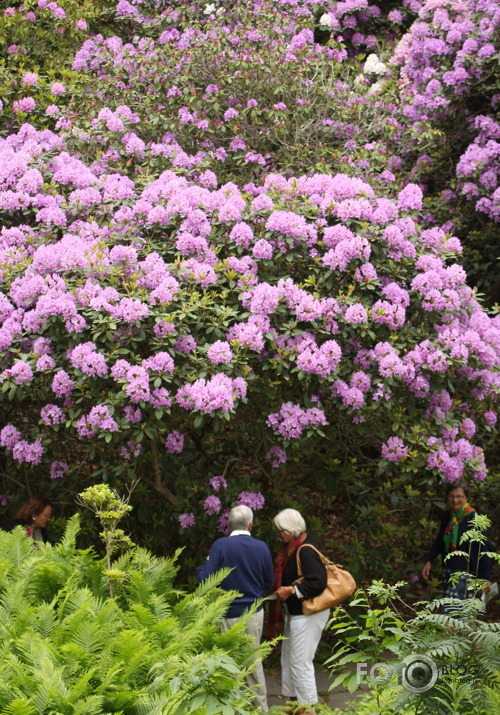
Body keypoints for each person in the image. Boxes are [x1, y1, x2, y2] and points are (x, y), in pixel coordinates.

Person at [197, 504, 274, 711]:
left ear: (229, 524)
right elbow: (269, 582)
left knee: (226, 662)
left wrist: (201, 568)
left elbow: (206, 579)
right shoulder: (262, 547)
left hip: (226, 614)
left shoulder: (220, 546)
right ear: (251, 524)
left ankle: (230, 707)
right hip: (253, 614)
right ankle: (260, 708)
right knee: (252, 661)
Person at [272, 508, 328, 713]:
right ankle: (294, 705)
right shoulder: (293, 548)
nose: (278, 535)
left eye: (280, 531)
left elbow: (318, 582)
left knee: (300, 662)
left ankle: (309, 708)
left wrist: (291, 591)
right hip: (296, 613)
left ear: (291, 530)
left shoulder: (305, 550)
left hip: (308, 614)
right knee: (288, 659)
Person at [422, 481, 491, 608]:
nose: (455, 500)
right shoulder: (448, 516)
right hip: (448, 569)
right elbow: (440, 541)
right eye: (452, 496)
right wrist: (429, 561)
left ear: (466, 498)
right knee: (460, 614)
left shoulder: (474, 518)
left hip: (466, 573)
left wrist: (485, 579)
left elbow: (483, 549)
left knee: (450, 611)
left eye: (459, 496)